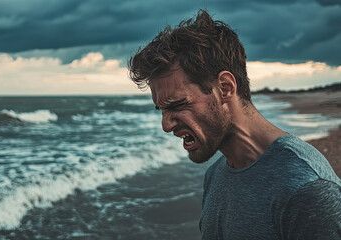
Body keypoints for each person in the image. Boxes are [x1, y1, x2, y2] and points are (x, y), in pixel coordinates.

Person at [128, 9, 341, 239]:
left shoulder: (306, 188)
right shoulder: (216, 175)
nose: (166, 125)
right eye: (162, 110)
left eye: (178, 105)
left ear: (225, 88)